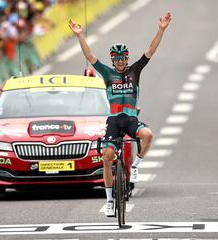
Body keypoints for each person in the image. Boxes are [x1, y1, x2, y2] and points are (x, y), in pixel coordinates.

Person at [69, 12, 172, 217]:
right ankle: (109, 201)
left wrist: (161, 30)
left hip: (131, 119)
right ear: (112, 59)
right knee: (107, 157)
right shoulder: (107, 73)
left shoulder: (135, 71)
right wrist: (80, 35)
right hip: (114, 121)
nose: (120, 60)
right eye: (116, 58)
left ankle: (136, 165)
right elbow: (90, 57)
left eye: (123, 57)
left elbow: (151, 50)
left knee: (149, 135)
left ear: (127, 57)